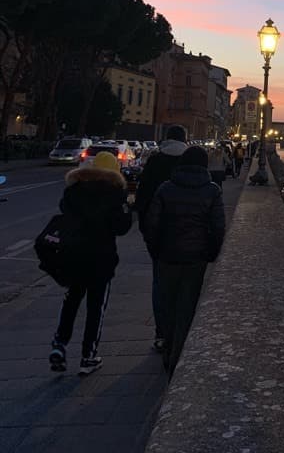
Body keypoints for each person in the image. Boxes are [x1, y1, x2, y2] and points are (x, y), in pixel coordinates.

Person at [143, 145, 225, 379]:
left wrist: (155, 251)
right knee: (187, 306)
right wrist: (211, 253)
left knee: (167, 303)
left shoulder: (166, 188)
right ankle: (176, 356)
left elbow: (152, 225)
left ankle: (167, 344)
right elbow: (218, 228)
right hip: (195, 258)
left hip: (167, 256)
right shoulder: (212, 191)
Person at [49, 151, 132, 375]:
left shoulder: (74, 191)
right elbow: (122, 228)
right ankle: (88, 356)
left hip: (73, 256)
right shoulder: (115, 195)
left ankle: (60, 344)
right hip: (101, 259)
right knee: (96, 308)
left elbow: (64, 210)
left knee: (71, 301)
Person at [134, 125, 188, 352]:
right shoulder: (192, 159)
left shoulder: (155, 161)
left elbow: (142, 197)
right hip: (188, 235)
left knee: (160, 282)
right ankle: (182, 331)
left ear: (166, 139)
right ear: (185, 139)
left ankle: (161, 332)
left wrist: (146, 230)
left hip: (158, 235)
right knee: (187, 285)